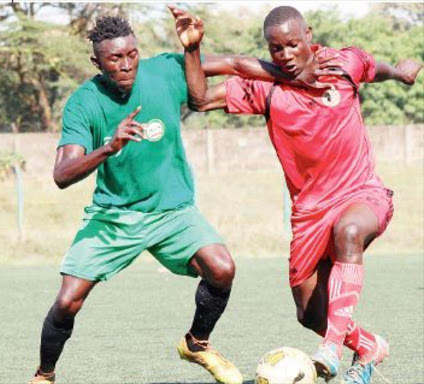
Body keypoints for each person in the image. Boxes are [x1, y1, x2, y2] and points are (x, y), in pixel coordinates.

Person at [169, 5, 422, 384]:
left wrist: (400, 73)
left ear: (309, 35)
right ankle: (368, 348)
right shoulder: (266, 90)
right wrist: (192, 49)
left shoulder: (342, 65)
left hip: (361, 193)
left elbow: (375, 68)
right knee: (309, 313)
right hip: (309, 213)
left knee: (349, 232)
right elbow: (201, 100)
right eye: (275, 49)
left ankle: (332, 350)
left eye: (292, 44)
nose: (286, 54)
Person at [28, 14, 255, 384]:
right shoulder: (84, 102)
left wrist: (291, 73)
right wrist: (108, 146)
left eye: (132, 54)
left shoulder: (164, 70)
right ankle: (44, 375)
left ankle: (197, 343)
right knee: (68, 301)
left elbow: (230, 67)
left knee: (222, 268)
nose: (126, 64)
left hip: (173, 211)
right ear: (97, 62)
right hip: (115, 216)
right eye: (115, 58)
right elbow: (62, 174)